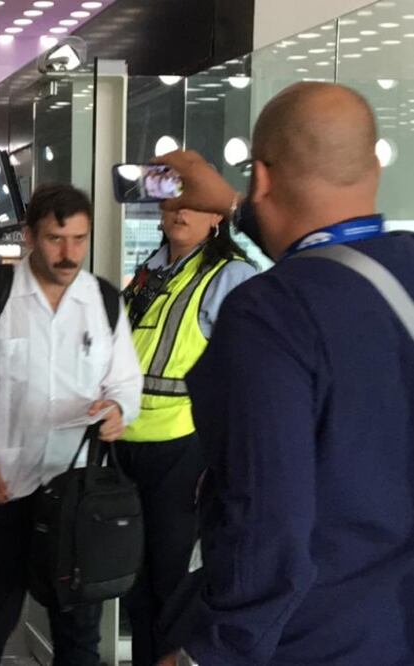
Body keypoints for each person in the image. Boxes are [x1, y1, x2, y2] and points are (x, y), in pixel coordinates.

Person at [153, 82, 414, 666]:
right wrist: (232, 204)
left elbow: (266, 521)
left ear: (263, 178)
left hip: (310, 641)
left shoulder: (267, 315)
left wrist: (208, 654)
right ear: (373, 166)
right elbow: (326, 265)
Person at [0, 184, 143, 666]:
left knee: (79, 627)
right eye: (55, 239)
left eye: (79, 240)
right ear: (28, 236)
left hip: (75, 490)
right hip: (1, 484)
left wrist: (118, 411)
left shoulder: (102, 299)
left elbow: (127, 381)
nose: (69, 254)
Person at [117, 206, 255, 666]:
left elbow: (245, 375)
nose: (178, 213)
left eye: (192, 204)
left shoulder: (229, 276)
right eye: (172, 203)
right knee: (133, 582)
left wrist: (225, 456)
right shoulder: (149, 273)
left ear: (216, 218)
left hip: (184, 445)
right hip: (125, 443)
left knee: (172, 584)